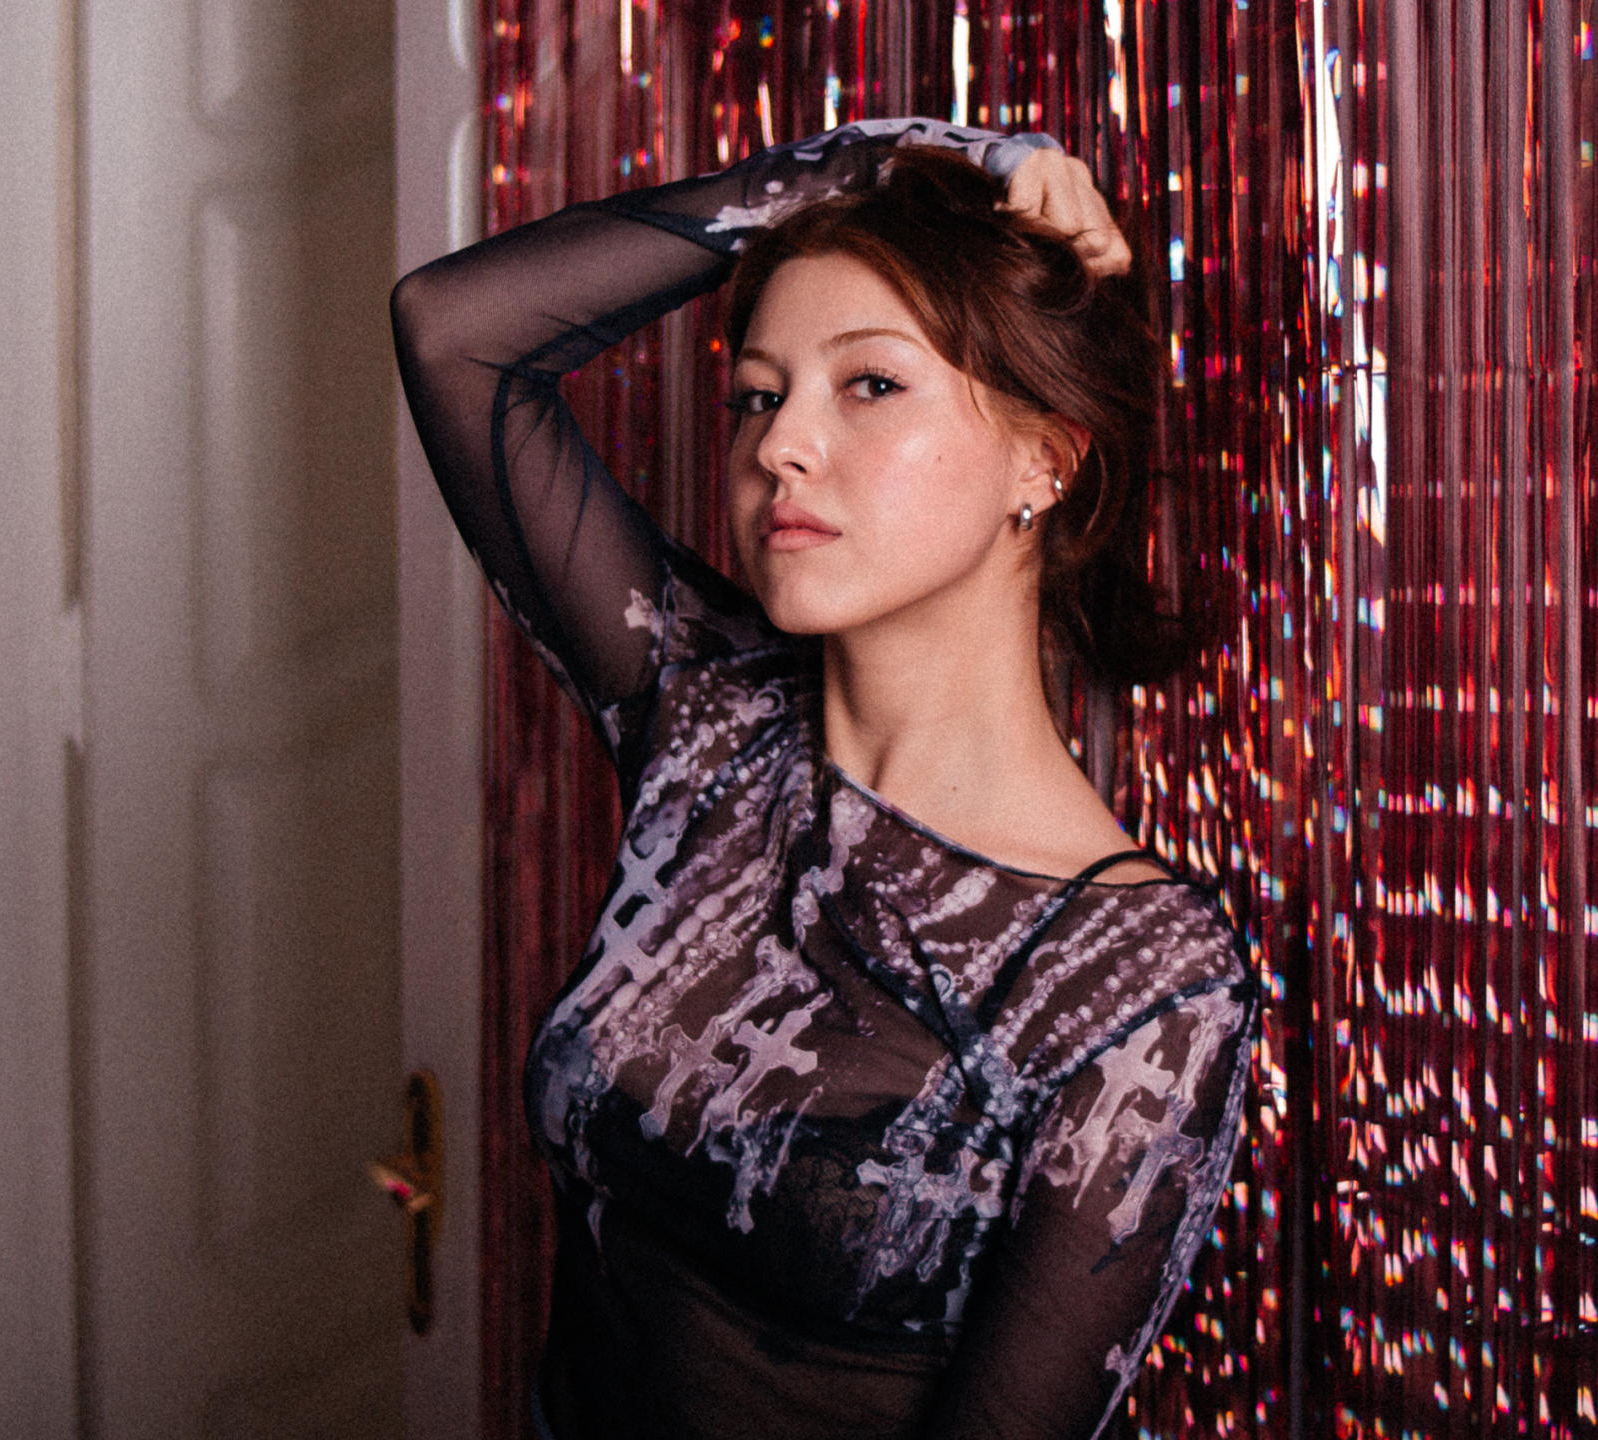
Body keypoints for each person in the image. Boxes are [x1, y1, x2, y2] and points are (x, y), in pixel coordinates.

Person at [392, 117, 1258, 1440]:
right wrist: (895, 160)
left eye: (870, 385)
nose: (779, 446)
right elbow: (453, 329)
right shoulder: (714, 726)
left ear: (1044, 457)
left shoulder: (1134, 980)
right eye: (758, 394)